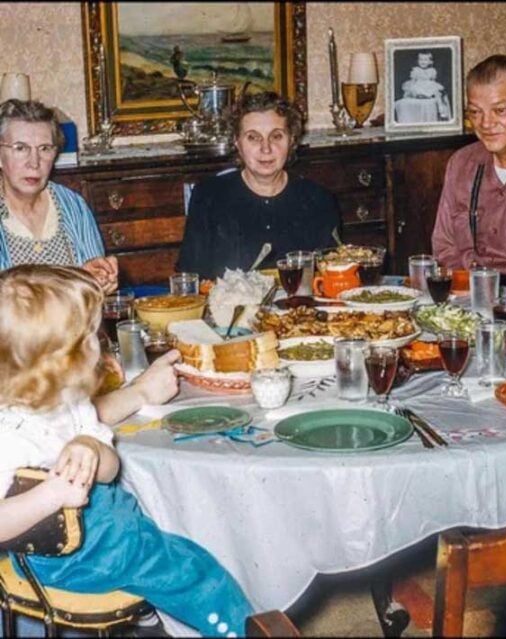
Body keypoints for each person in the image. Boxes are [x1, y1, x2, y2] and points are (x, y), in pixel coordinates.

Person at [0, 264, 253, 637]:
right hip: (71, 558)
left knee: (182, 529)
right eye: (88, 339)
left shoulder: (70, 400)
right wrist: (51, 494)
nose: (99, 345)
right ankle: (238, 629)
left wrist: (89, 444)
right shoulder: (11, 436)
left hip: (110, 528)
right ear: (50, 361)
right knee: (197, 573)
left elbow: (109, 469)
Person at [177, 92, 339, 279]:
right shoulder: (209, 196)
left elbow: (332, 278)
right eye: (253, 137)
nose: (266, 148)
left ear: (292, 140)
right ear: (236, 142)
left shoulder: (318, 199)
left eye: (276, 136)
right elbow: (191, 280)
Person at [431, 55, 506, 290]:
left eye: (500, 110)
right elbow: (445, 247)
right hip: (472, 294)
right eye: (475, 112)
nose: (486, 124)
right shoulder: (462, 164)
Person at [0, 99, 118, 292]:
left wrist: (96, 280)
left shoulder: (73, 205)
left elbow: (93, 295)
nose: (34, 162)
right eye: (21, 148)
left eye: (45, 148)